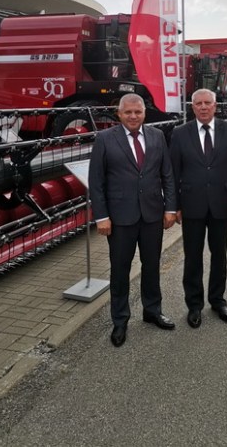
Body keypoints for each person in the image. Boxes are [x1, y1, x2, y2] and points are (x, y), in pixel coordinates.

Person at [88, 93, 178, 347]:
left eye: (137, 112)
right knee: (120, 270)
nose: (133, 116)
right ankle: (120, 320)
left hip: (152, 215)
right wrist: (102, 216)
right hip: (119, 219)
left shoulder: (157, 136)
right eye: (128, 112)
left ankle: (152, 310)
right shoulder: (105, 139)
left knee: (151, 265)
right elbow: (96, 181)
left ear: (144, 114)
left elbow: (167, 175)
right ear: (119, 114)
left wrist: (170, 208)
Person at [170, 88, 227, 328]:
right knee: (192, 257)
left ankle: (217, 300)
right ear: (192, 107)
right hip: (191, 205)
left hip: (221, 204)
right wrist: (174, 206)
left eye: (207, 103)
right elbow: (173, 172)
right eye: (198, 104)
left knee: (219, 255)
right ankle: (194, 305)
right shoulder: (180, 133)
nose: (203, 107)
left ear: (215, 106)